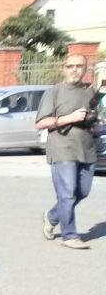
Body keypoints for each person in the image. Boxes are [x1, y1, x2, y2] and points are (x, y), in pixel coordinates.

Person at [36, 54, 97, 250]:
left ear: (85, 69)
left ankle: (52, 216)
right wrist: (70, 118)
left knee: (82, 192)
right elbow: (40, 123)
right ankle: (69, 235)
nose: (74, 69)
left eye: (79, 66)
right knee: (67, 194)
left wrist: (95, 121)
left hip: (86, 148)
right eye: (71, 66)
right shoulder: (54, 92)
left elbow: (96, 117)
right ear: (64, 68)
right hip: (62, 147)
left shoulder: (90, 92)